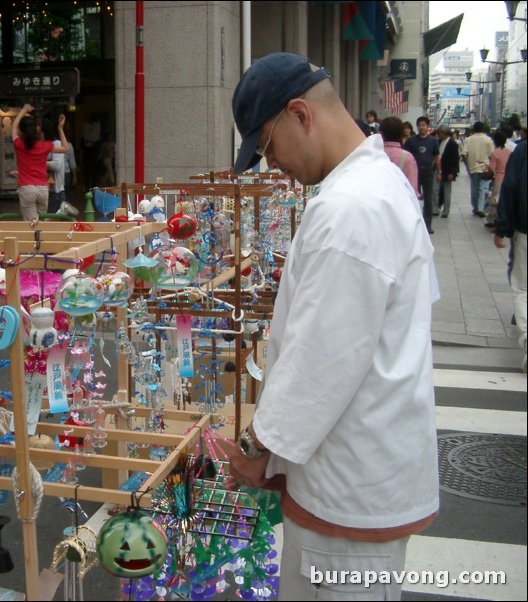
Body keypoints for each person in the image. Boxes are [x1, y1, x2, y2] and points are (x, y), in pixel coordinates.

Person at [229, 52, 439, 601]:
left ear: (301, 114)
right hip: (362, 469)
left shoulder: (351, 208)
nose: (272, 165)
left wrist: (257, 448)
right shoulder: (375, 187)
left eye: (268, 147)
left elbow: (321, 362)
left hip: (348, 490)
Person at [493, 139, 527, 372]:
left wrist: (502, 227)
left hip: (526, 228)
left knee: (522, 287)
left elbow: (511, 186)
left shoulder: (523, 150)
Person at [11, 104, 67, 221]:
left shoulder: (19, 145)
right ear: (37, 129)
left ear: (21, 132)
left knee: (31, 224)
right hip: (43, 188)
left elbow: (13, 127)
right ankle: (61, 211)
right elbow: (65, 148)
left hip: (26, 188)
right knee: (40, 222)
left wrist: (24, 110)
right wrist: (60, 128)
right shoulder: (44, 146)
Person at [403, 116, 441, 233]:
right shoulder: (411, 141)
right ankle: (414, 223)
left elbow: (437, 157)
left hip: (428, 172)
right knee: (413, 197)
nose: (421, 128)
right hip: (414, 173)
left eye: (424, 125)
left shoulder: (433, 141)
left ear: (427, 126)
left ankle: (428, 225)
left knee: (428, 199)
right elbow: (406, 156)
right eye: (419, 125)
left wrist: (439, 172)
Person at [379, 116, 418, 195]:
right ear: (401, 133)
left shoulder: (374, 153)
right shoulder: (407, 157)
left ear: (381, 133)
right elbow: (412, 188)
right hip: (399, 201)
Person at [464, 121, 494, 218]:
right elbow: (492, 155)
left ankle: (475, 207)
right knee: (483, 188)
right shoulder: (488, 140)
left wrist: (467, 166)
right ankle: (480, 208)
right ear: (483, 129)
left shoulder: (468, 139)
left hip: (473, 167)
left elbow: (464, 154)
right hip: (485, 167)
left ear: (474, 129)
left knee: (474, 188)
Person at [485, 130, 512, 228]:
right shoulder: (509, 152)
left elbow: (492, 168)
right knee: (505, 200)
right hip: (509, 178)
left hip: (499, 179)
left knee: (495, 200)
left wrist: (486, 167)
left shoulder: (495, 153)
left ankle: (494, 221)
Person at [42, 116, 66, 213]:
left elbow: (56, 165)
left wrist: (38, 162)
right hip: (44, 190)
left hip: (55, 192)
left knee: (53, 225)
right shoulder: (41, 144)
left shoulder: (56, 144)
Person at [435, 125, 460, 219]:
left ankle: (446, 210)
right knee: (436, 190)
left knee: (447, 191)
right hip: (438, 169)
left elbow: (455, 160)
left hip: (448, 170)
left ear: (445, 133)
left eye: (440, 133)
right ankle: (436, 207)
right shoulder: (438, 142)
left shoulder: (452, 144)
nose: (438, 135)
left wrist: (452, 173)